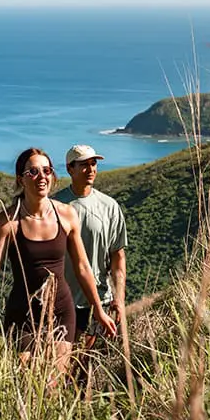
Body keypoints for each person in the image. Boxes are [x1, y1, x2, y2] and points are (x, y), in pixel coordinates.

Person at [0, 147, 116, 377]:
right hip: (23, 314)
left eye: (46, 170)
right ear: (20, 179)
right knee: (27, 384)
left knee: (53, 385)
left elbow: (82, 267)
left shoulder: (67, 215)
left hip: (61, 310)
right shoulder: (9, 221)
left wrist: (99, 310)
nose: (41, 177)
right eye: (33, 172)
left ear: (52, 175)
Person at [53, 144, 128, 348]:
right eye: (84, 165)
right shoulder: (54, 205)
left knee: (87, 368)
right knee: (60, 368)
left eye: (93, 163)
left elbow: (118, 257)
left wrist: (119, 299)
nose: (91, 169)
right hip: (61, 302)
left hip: (100, 302)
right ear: (70, 169)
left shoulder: (109, 207)